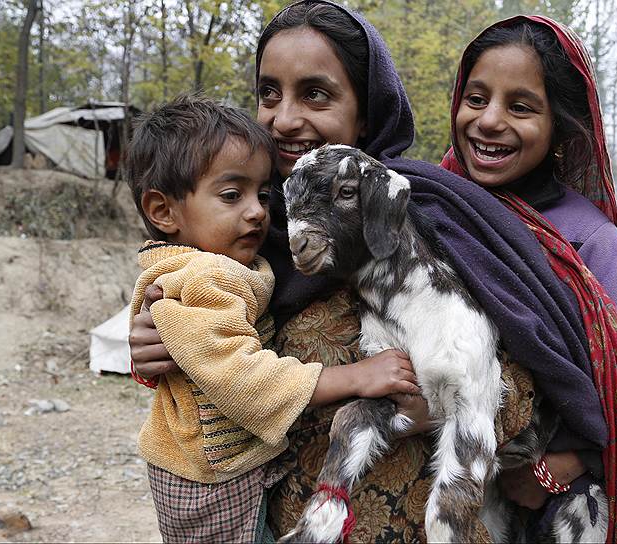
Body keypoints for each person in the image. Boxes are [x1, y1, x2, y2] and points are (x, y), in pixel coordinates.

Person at [131, 2, 617, 541]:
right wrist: (159, 339)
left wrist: (544, 452)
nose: (284, 119)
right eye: (269, 93)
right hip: (282, 518)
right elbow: (210, 327)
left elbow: (561, 368)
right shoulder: (252, 221)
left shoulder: (437, 215)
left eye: (316, 94)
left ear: (368, 106)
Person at [439, 16, 617, 540]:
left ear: (560, 126)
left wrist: (569, 463)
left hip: (539, 511)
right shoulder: (429, 204)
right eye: (476, 97)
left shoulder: (585, 237)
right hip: (437, 489)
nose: (488, 121)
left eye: (521, 107)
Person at [124, 95, 420, 543]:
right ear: (163, 212)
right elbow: (245, 381)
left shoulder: (213, 255)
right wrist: (357, 377)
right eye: (232, 195)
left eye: (264, 195)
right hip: (214, 482)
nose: (259, 212)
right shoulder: (208, 272)